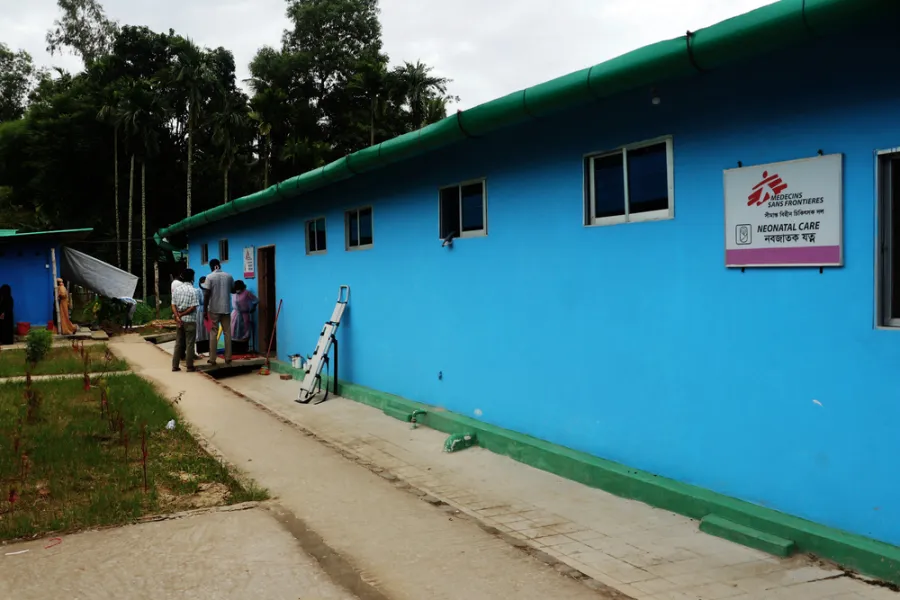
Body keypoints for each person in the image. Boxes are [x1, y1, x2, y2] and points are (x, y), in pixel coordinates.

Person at [202, 259, 234, 366]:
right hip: (226, 308)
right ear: (219, 265)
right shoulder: (229, 276)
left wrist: (204, 310)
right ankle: (228, 358)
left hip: (214, 309)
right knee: (227, 333)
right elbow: (233, 290)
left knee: (213, 333)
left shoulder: (209, 277)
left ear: (211, 267)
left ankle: (212, 359)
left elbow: (207, 294)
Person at [171, 268, 199, 372]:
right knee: (190, 343)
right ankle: (189, 366)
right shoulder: (194, 290)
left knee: (178, 343)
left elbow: (173, 304)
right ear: (192, 277)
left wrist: (177, 316)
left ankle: (175, 365)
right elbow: (193, 307)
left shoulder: (177, 289)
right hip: (190, 320)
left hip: (179, 321)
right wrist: (182, 314)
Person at [230, 281, 258, 355]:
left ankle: (243, 349)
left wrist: (253, 308)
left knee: (244, 331)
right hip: (235, 315)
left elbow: (256, 300)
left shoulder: (246, 293)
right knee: (234, 331)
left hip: (244, 314)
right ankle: (234, 349)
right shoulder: (233, 293)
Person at [195, 276, 210, 357]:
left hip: (209, 311)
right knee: (200, 331)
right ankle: (200, 350)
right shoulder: (197, 291)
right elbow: (197, 302)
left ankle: (208, 349)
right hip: (200, 312)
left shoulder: (209, 291)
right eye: (203, 282)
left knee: (208, 330)